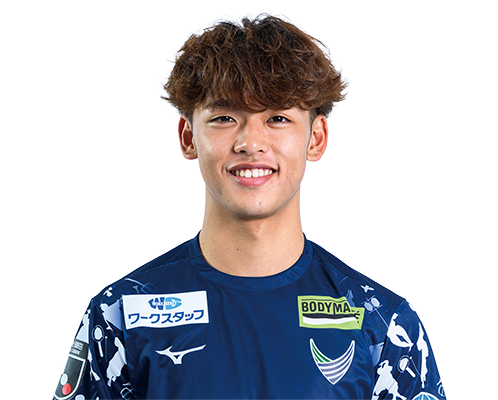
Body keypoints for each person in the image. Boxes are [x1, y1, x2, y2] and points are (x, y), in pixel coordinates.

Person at [54, 11, 445, 400]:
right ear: (188, 137)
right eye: (225, 117)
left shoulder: (384, 323)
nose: (250, 143)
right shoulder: (120, 314)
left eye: (277, 118)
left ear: (316, 138)